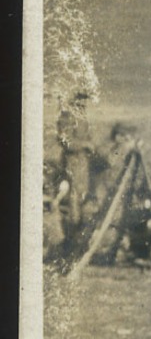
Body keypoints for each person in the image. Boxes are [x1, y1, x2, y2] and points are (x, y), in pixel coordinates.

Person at [55, 92, 95, 244]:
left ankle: (78, 238)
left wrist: (90, 146)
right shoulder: (66, 118)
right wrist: (84, 145)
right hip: (72, 164)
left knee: (82, 199)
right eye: (81, 103)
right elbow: (66, 142)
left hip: (83, 165)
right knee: (72, 202)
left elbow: (89, 139)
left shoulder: (83, 120)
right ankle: (71, 239)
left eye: (85, 104)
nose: (84, 106)